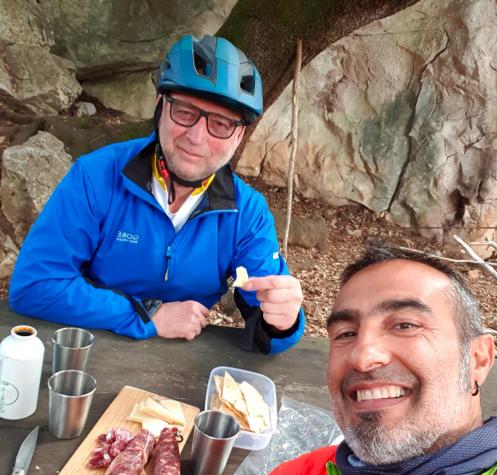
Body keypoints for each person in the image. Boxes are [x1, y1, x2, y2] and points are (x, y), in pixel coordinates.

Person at [14, 245, 497, 475]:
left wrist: (281, 321)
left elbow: (268, 310)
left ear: (478, 359)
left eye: (406, 325)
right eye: (345, 333)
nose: (363, 355)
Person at [8, 35, 305, 355]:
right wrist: (148, 314)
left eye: (221, 123)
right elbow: (35, 284)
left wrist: (282, 322)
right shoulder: (95, 176)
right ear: (161, 105)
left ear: (240, 135)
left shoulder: (247, 213)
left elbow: (268, 328)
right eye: (185, 111)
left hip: (181, 368)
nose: (196, 137)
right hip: (89, 348)